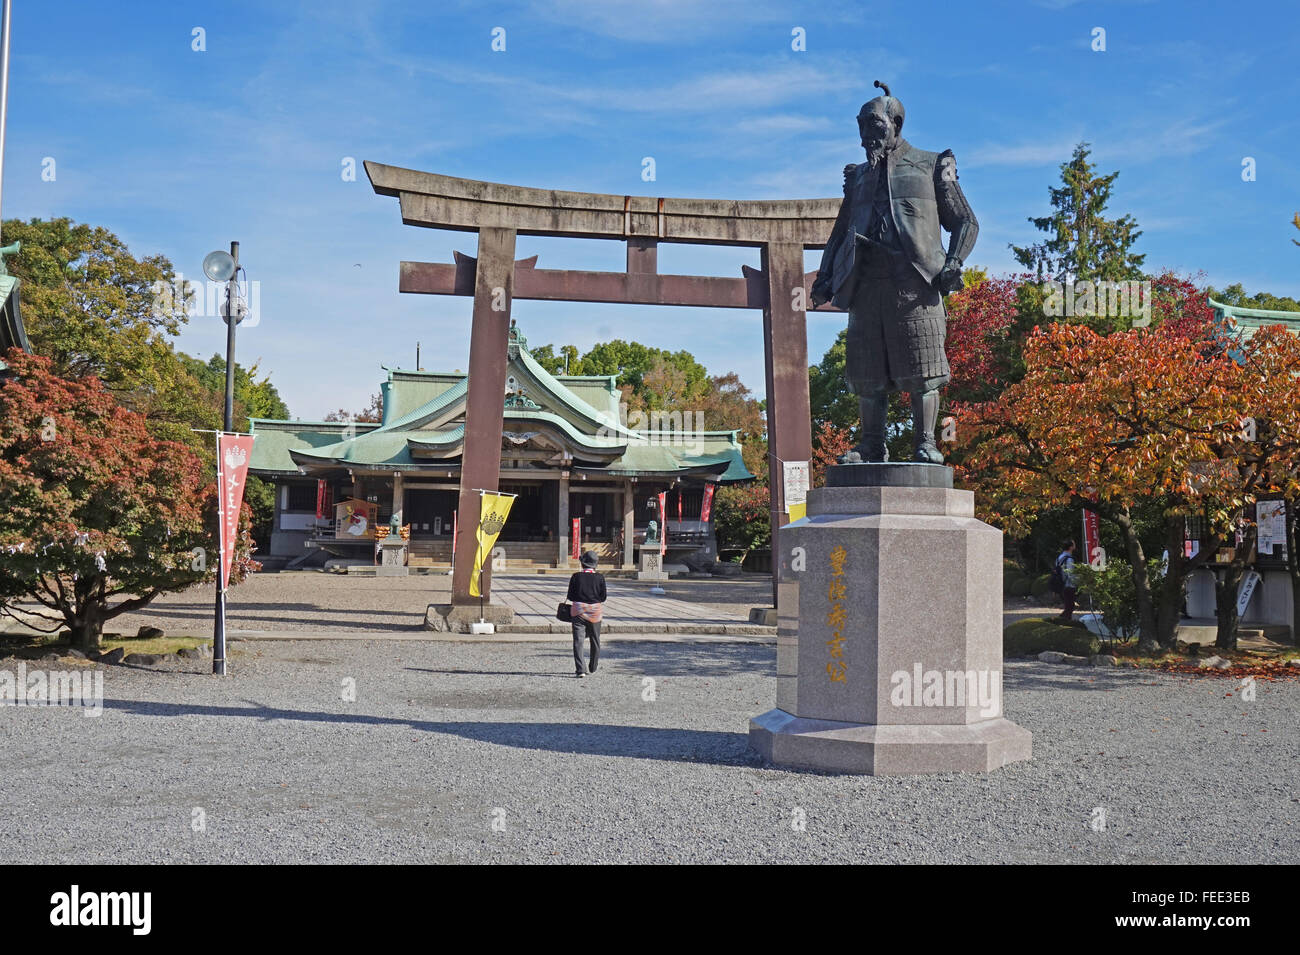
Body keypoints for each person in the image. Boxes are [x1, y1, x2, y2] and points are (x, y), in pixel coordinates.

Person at [567, 551, 606, 678]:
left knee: (578, 641)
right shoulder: (600, 577)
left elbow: (570, 596)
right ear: (595, 565)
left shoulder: (575, 576)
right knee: (595, 639)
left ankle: (580, 669)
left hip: (578, 611)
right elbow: (603, 597)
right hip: (595, 612)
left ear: (583, 564)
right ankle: (593, 666)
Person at [1054, 540, 1078, 622]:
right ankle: (1062, 621)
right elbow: (1070, 573)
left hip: (1060, 583)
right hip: (1068, 584)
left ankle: (1063, 620)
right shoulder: (1069, 559)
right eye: (1074, 544)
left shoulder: (1059, 557)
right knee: (1070, 606)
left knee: (1068, 605)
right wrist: (1076, 583)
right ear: (1071, 547)